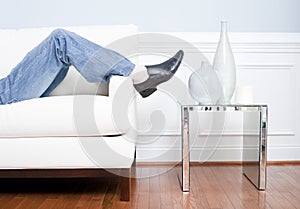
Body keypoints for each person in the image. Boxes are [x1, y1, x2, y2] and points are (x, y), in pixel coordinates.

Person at [0, 29, 184, 105]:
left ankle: (140, 76)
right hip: (4, 95)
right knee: (60, 40)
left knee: (61, 47)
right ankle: (141, 76)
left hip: (4, 88)